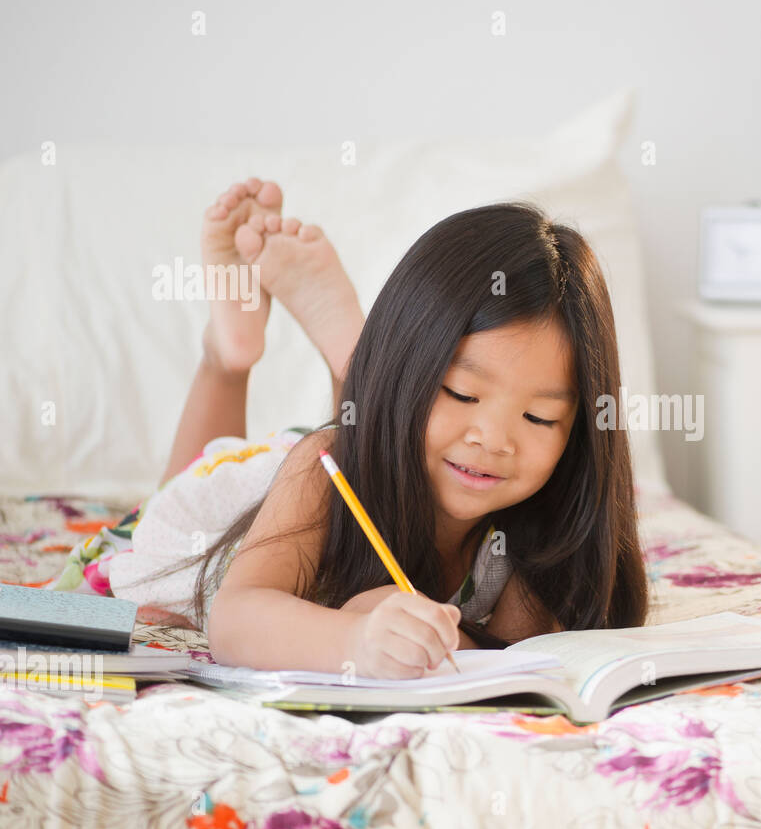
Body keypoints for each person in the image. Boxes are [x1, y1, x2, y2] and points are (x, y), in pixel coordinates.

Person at [49, 178, 647, 679]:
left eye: (540, 417)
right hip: (226, 523)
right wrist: (355, 638)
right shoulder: (320, 468)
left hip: (376, 453)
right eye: (462, 392)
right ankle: (227, 357)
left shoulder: (530, 532)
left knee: (380, 438)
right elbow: (235, 622)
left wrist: (436, 638)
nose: (494, 439)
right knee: (187, 489)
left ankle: (357, 375)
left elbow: (513, 655)